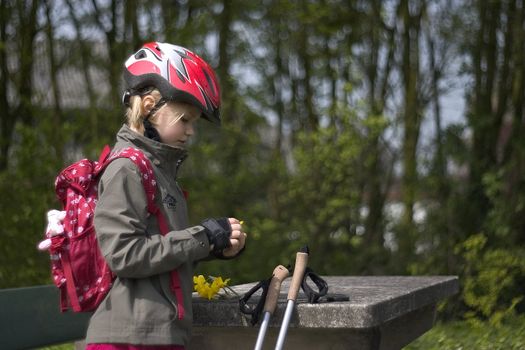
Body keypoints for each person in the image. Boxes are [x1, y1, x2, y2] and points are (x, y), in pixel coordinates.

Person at [83, 42, 247, 349]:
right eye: (184, 120)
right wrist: (202, 236)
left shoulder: (160, 173)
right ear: (148, 107)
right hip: (127, 339)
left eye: (193, 123)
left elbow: (159, 259)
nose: (190, 131)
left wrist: (212, 246)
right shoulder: (126, 168)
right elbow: (125, 255)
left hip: (157, 335)